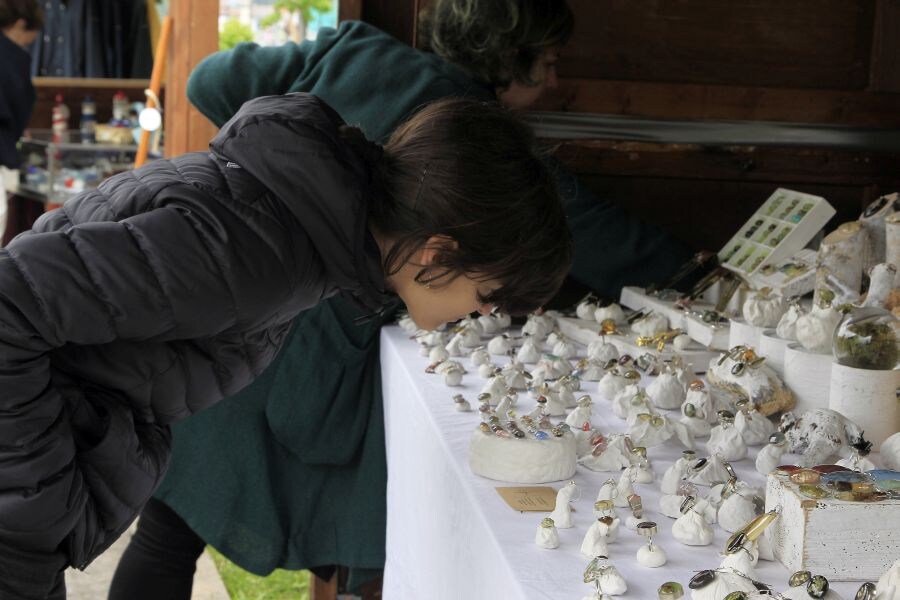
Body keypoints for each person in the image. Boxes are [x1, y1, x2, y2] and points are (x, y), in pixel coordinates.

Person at [110, 1, 692, 598]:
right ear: (506, 57)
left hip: (240, 310)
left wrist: (270, 169)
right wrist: (697, 272)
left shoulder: (354, 50)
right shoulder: (472, 141)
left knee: (167, 529)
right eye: (545, 63)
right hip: (302, 343)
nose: (554, 82)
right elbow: (594, 230)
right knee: (347, 526)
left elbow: (209, 80)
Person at [0, 92, 571, 600]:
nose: (485, 313)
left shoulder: (298, 229)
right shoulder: (263, 249)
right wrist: (34, 511)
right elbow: (10, 302)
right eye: (489, 294)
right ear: (438, 253)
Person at [0, 0, 42, 240]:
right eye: (30, 36)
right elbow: (19, 106)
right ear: (20, 24)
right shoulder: (13, 58)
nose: (29, 42)